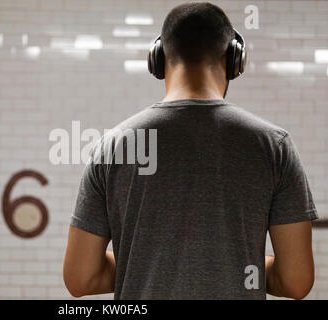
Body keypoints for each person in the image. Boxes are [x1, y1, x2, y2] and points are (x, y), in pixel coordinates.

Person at [63, 2, 318, 300]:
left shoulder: (114, 146)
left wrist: (152, 263)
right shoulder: (274, 147)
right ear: (235, 59)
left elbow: (80, 277)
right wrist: (226, 264)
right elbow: (296, 281)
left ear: (158, 59)